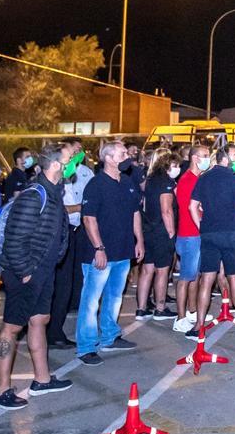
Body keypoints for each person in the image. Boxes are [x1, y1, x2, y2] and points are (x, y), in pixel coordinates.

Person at [0, 143, 72, 410]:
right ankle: (0, 391)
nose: (73, 163)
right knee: (12, 327)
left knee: (39, 320)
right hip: (25, 273)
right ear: (57, 164)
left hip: (43, 271)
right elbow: (14, 240)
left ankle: (42, 379)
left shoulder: (53, 191)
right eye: (69, 159)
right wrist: (25, 271)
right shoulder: (33, 195)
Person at [76, 141, 143, 366]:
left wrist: (139, 240)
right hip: (100, 253)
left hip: (123, 250)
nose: (127, 156)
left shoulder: (127, 182)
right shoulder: (96, 185)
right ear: (109, 158)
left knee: (115, 297)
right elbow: (88, 218)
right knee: (91, 300)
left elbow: (135, 212)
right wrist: (99, 248)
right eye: (122, 153)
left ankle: (109, 335)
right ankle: (86, 346)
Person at [188, 147, 235, 338]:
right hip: (229, 234)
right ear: (224, 158)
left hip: (208, 233)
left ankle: (198, 326)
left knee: (206, 280)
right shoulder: (234, 180)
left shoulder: (204, 178)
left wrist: (200, 226)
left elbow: (192, 206)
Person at [47, 137, 92, 350]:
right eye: (70, 155)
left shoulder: (82, 173)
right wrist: (77, 208)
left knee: (68, 283)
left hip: (75, 231)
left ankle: (55, 330)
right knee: (57, 287)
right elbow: (55, 210)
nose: (75, 158)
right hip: (56, 236)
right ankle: (52, 333)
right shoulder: (47, 185)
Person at [136, 149, 179, 321]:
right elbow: (166, 209)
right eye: (174, 165)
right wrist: (171, 233)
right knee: (162, 270)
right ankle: (160, 307)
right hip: (161, 230)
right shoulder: (165, 183)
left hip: (148, 228)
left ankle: (141, 308)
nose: (177, 169)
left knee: (147, 270)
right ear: (167, 166)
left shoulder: (150, 179)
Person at [172, 145, 208, 333]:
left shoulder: (196, 179)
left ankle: (193, 311)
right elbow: (191, 207)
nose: (207, 159)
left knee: (196, 276)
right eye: (205, 156)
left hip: (196, 235)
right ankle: (180, 318)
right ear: (195, 158)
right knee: (185, 278)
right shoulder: (188, 180)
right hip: (189, 234)